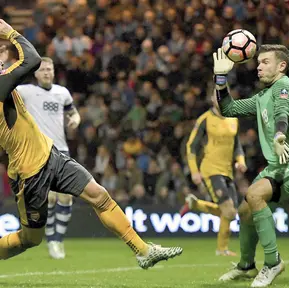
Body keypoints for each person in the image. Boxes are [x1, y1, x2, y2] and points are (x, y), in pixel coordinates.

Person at [0, 19, 182, 269]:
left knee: (99, 194)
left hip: (51, 156)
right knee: (30, 239)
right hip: (29, 172)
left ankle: (143, 251)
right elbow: (32, 59)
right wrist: (11, 33)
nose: (3, 63)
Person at [213, 45, 289, 287]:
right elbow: (228, 108)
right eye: (258, 62)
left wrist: (280, 136)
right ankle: (247, 265)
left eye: (265, 62)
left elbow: (282, 112)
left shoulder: (287, 86)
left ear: (281, 66)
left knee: (254, 195)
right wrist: (220, 79)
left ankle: (273, 262)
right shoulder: (262, 97)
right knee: (245, 210)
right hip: (277, 166)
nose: (258, 66)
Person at [17, 57, 80, 259]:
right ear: (35, 73)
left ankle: (56, 240)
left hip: (62, 150)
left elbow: (73, 112)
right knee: (51, 197)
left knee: (66, 196)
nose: (46, 72)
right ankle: (53, 241)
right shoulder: (25, 91)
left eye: (49, 69)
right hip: (39, 151)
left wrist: (75, 120)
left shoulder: (62, 93)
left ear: (54, 71)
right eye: (43, 69)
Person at [181, 103, 247, 256]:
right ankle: (221, 249)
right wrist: (194, 171)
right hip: (210, 169)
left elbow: (237, 146)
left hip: (228, 171)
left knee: (230, 212)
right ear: (212, 99)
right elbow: (191, 146)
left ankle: (195, 204)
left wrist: (241, 161)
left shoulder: (233, 119)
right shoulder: (205, 119)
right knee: (229, 210)